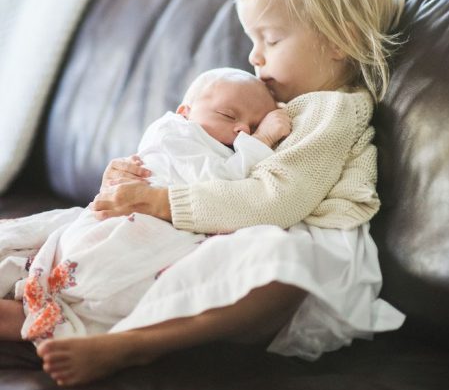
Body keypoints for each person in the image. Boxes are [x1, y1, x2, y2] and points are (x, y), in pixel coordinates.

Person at [3, 0, 408, 386]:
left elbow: (277, 199)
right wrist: (131, 178)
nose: (254, 56)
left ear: (340, 41)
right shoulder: (264, 101)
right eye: (253, 40)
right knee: (86, 230)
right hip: (221, 224)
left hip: (293, 246)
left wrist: (161, 202)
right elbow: (201, 158)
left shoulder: (334, 111)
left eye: (271, 39)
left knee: (281, 263)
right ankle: (35, 308)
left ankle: (134, 345)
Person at [0, 68, 286, 343]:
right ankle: (42, 305)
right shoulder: (177, 134)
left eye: (253, 126)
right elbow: (215, 182)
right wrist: (262, 139)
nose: (242, 130)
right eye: (228, 115)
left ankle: (41, 311)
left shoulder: (229, 148)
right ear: (185, 113)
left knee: (140, 288)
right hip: (125, 225)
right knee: (100, 263)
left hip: (163, 231)